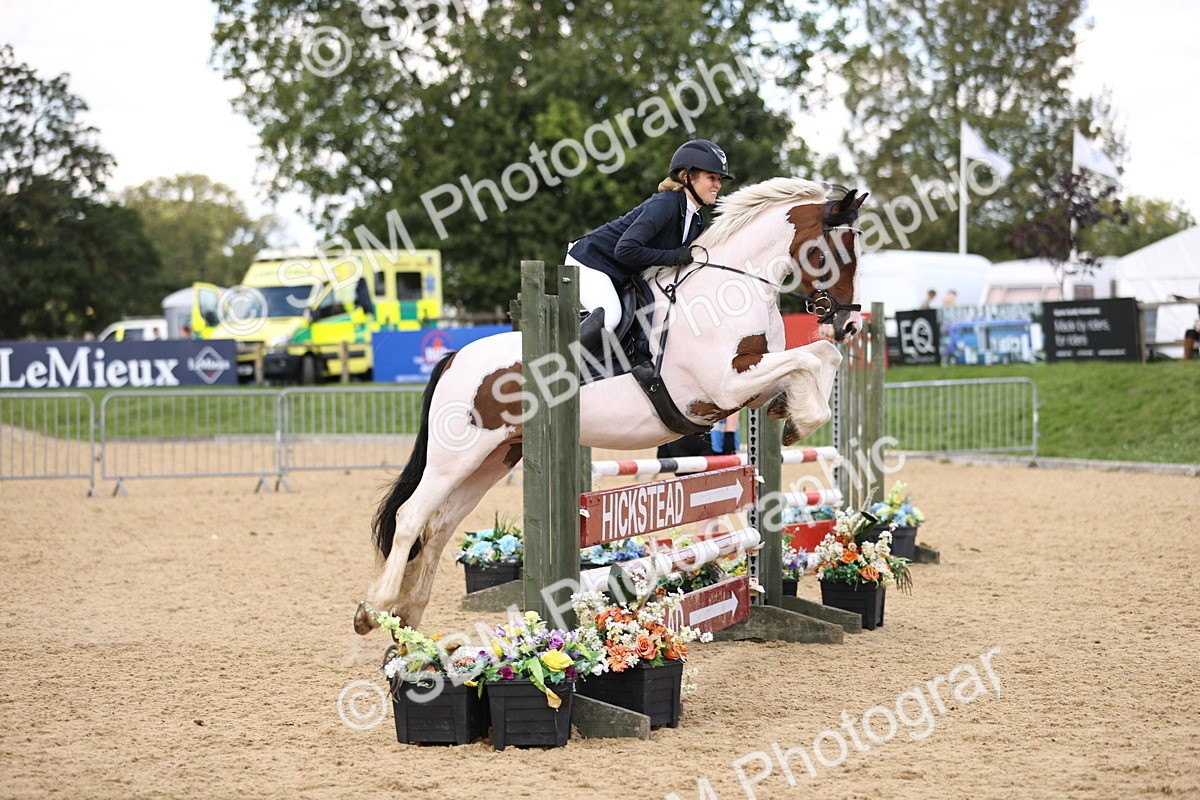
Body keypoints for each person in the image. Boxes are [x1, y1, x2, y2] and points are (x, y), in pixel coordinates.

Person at [567, 139, 734, 341]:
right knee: (611, 317)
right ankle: (560, 364)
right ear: (687, 177)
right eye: (711, 177)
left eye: (720, 179)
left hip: (622, 273)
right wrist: (674, 256)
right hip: (590, 262)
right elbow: (625, 250)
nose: (718, 185)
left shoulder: (697, 219)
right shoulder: (665, 204)